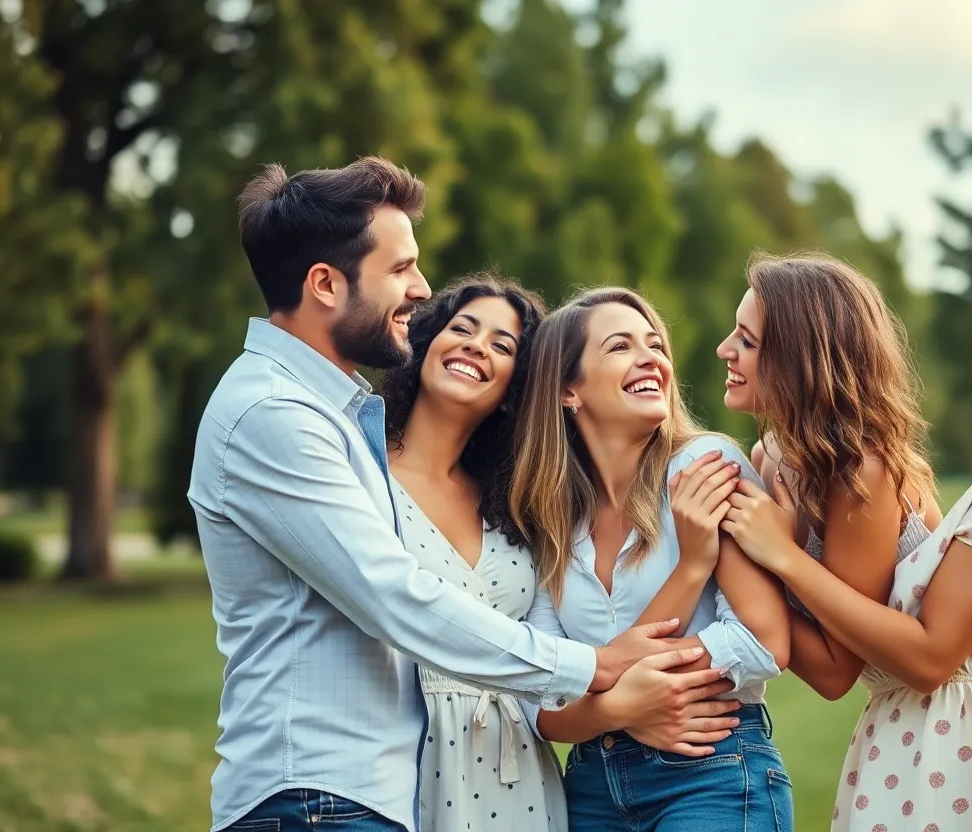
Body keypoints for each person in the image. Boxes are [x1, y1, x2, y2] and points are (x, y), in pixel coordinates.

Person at [188, 158, 716, 832]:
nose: (421, 288)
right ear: (325, 283)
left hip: (363, 797)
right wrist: (593, 664)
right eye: (401, 268)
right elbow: (393, 595)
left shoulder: (330, 418)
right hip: (314, 798)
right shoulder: (271, 414)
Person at [714, 252, 972, 831]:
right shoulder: (772, 462)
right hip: (894, 735)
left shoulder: (858, 471)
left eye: (747, 339)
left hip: (967, 737)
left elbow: (856, 669)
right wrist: (742, 558)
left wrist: (777, 559)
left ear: (800, 359)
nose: (725, 349)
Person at [509, 286, 796, 831]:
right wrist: (622, 707)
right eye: (620, 346)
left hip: (709, 769)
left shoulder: (705, 467)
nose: (652, 358)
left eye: (655, 344)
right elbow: (541, 706)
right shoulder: (548, 517)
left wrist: (600, 685)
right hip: (590, 787)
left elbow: (763, 642)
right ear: (569, 390)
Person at [377, 272, 567, 830]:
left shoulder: (513, 503)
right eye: (463, 327)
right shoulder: (359, 469)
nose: (476, 346)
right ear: (426, 342)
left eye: (502, 345)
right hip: (407, 757)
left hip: (520, 777)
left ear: (516, 386)